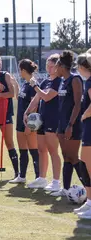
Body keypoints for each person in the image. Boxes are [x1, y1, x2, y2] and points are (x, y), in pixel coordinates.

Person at [48, 50, 85, 197]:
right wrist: (60, 127)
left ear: (62, 66)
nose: (55, 69)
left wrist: (70, 125)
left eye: (56, 66)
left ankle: (88, 189)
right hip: (62, 125)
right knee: (66, 156)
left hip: (73, 125)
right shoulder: (63, 81)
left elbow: (77, 105)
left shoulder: (75, 79)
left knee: (73, 157)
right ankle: (66, 189)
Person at [25, 54, 62, 190]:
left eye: (53, 66)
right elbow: (36, 99)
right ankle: (42, 178)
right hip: (42, 119)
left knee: (53, 150)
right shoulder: (45, 81)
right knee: (41, 150)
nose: (50, 68)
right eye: (48, 65)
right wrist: (27, 112)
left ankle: (56, 182)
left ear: (58, 67)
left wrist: (34, 85)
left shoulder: (59, 81)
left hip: (53, 119)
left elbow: (46, 97)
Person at [10, 59, 40, 184]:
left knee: (34, 151)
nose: (19, 72)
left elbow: (35, 105)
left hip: (29, 123)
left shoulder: (33, 84)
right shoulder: (25, 84)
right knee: (22, 150)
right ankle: (22, 176)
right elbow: (19, 98)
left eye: (20, 69)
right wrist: (16, 84)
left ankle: (39, 178)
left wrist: (30, 125)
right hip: (20, 122)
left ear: (23, 70)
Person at [73, 52, 91, 219]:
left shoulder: (90, 82)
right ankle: (89, 202)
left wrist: (85, 114)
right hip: (87, 129)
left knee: (88, 166)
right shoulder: (87, 82)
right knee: (85, 165)